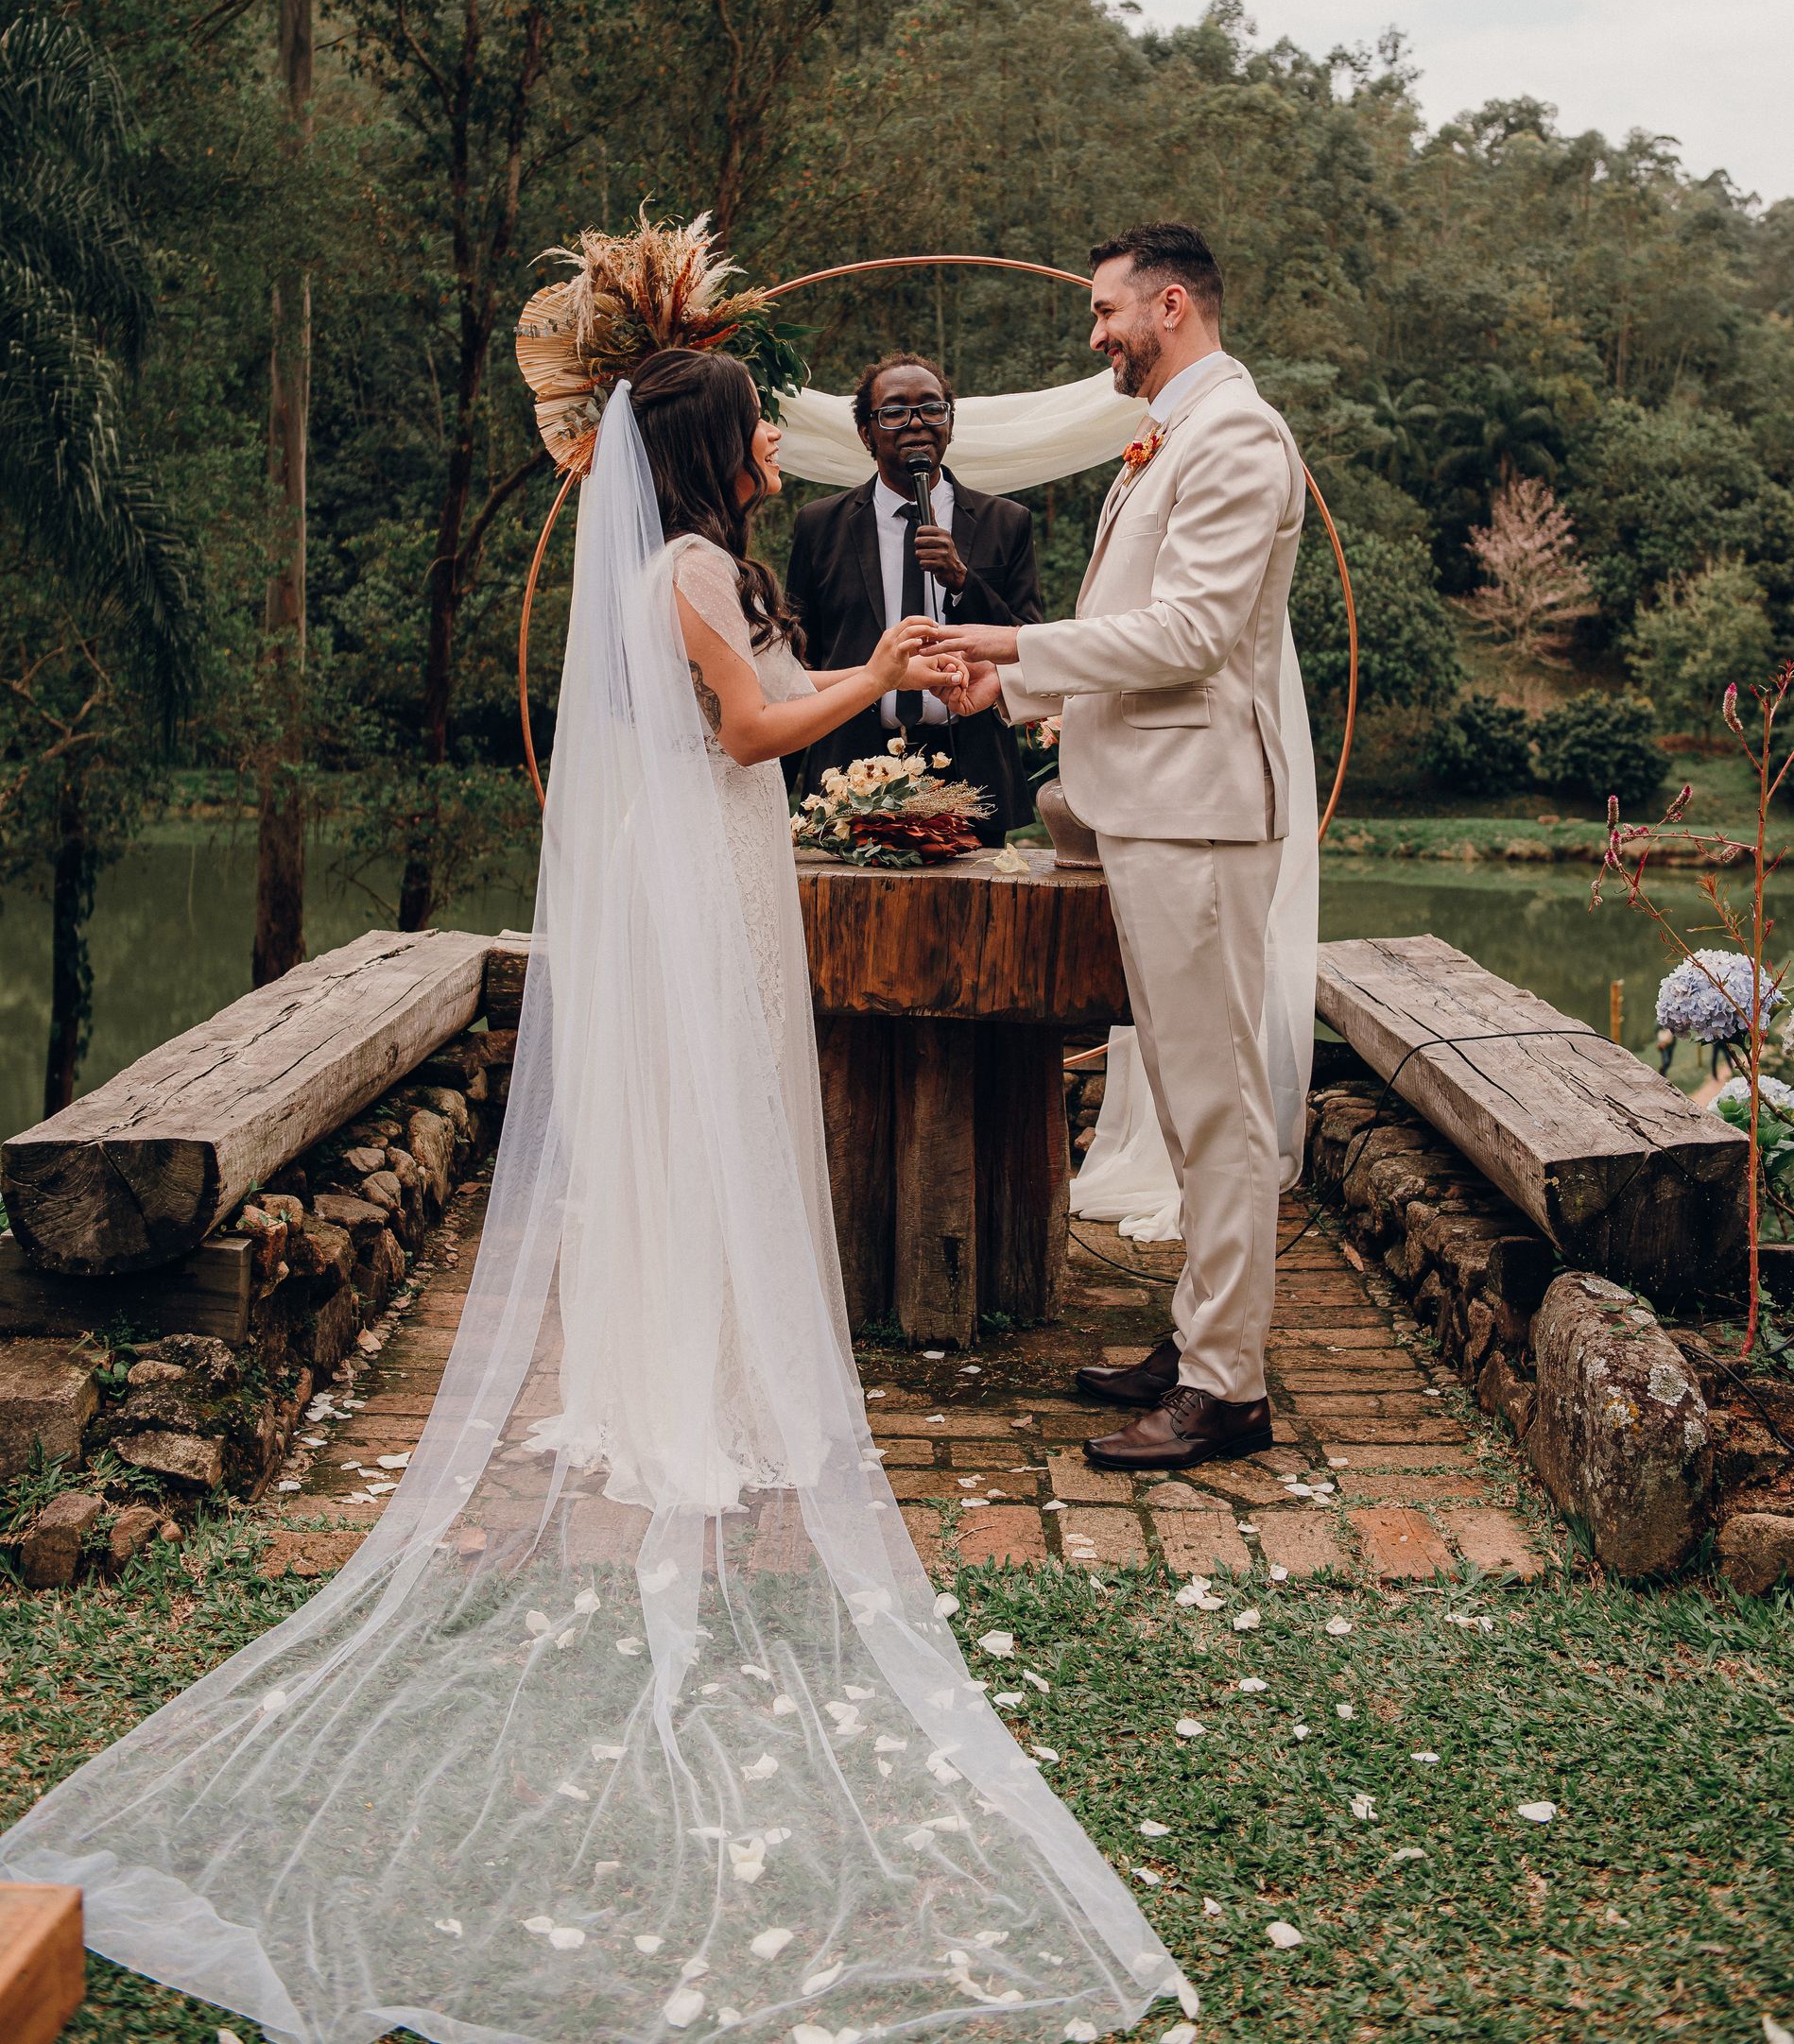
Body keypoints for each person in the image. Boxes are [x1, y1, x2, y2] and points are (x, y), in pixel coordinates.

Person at [0, 335, 1182, 2044]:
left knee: (716, 1128)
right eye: (759, 423)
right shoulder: (693, 567)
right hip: (705, 877)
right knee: (712, 1124)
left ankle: (675, 1367)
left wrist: (877, 663)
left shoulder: (691, 558)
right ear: (715, 450)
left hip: (709, 865)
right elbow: (754, 726)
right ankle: (681, 1392)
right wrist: (885, 673)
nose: (786, 442)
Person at [937, 223, 1309, 1474]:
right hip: (1152, 808)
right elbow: (1127, 626)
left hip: (1197, 816)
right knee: (1195, 1098)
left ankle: (1226, 1387)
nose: (1093, 333)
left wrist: (1010, 651)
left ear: (1170, 306)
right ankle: (1202, 1339)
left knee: (1218, 1108)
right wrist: (1021, 695)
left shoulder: (1239, 438)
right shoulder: (1171, 436)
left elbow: (1191, 633)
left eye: (1105, 313)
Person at [786, 354, 1043, 839]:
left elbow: (1026, 642)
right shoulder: (820, 525)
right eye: (894, 411)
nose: (916, 423)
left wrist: (964, 580)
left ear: (949, 422)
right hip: (850, 767)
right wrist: (776, 786)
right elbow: (800, 659)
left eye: (932, 408)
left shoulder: (1005, 521)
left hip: (970, 768)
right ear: (866, 432)